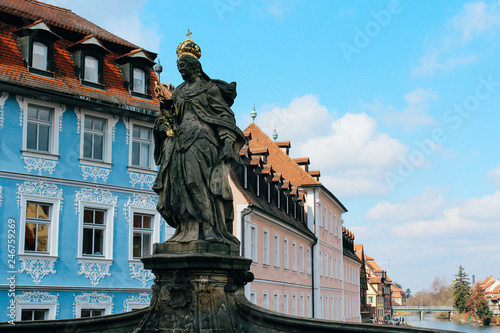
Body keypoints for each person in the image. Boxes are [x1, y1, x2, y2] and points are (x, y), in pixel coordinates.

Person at [152, 37, 245, 247]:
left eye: (183, 66)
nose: (180, 70)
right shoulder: (179, 91)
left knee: (196, 182)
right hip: (179, 141)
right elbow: (173, 117)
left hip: (202, 140)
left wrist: (228, 141)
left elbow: (224, 117)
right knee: (176, 185)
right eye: (178, 67)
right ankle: (185, 228)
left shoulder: (208, 88)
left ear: (193, 66)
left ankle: (209, 227)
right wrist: (164, 123)